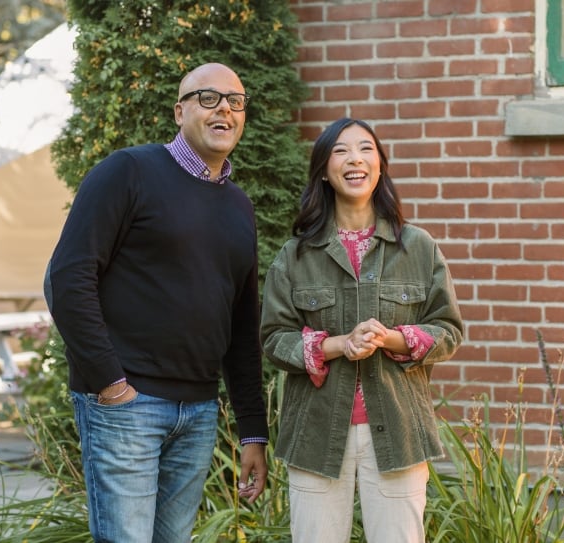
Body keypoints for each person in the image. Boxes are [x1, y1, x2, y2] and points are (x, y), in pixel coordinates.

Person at [44, 62, 268, 543]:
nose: (224, 108)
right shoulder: (129, 171)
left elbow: (242, 322)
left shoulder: (239, 206)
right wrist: (109, 383)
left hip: (198, 412)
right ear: (179, 111)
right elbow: (67, 277)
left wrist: (253, 431)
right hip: (128, 405)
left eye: (235, 100)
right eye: (208, 98)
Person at [260, 118, 463, 543]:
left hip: (398, 432)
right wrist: (338, 345)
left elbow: (447, 329)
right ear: (323, 170)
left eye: (366, 148)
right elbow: (274, 339)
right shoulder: (295, 255)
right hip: (315, 435)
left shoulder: (419, 247)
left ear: (380, 164)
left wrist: (391, 339)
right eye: (341, 151)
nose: (355, 159)